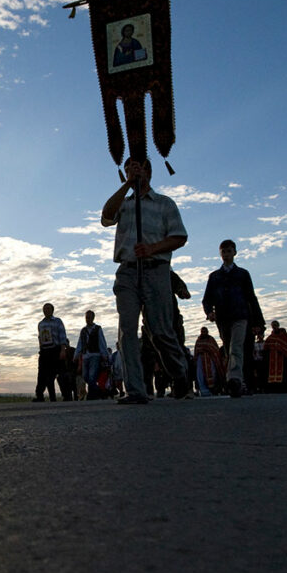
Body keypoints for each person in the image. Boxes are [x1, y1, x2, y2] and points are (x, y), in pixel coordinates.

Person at [101, 157, 190, 403]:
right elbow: (106, 217)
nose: (132, 170)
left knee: (159, 331)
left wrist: (152, 249)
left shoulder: (164, 204)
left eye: (136, 166)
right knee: (127, 330)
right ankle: (136, 390)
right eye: (128, 167)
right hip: (128, 271)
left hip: (156, 270)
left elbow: (179, 237)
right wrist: (126, 186)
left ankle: (180, 374)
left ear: (148, 172)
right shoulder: (125, 204)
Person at [201, 239, 265, 398]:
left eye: (229, 251)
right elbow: (207, 298)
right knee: (229, 348)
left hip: (240, 316)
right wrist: (209, 312)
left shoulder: (242, 274)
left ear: (234, 252)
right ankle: (239, 382)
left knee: (236, 347)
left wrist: (258, 323)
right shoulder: (215, 276)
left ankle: (235, 380)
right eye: (223, 251)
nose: (226, 254)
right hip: (223, 318)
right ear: (220, 254)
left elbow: (251, 298)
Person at [33, 303, 68, 402]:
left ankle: (66, 395)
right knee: (43, 374)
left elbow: (62, 336)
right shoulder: (41, 324)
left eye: (48, 308)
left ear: (52, 310)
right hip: (45, 351)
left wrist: (62, 350)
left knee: (60, 374)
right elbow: (40, 337)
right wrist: (41, 349)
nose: (46, 310)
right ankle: (42, 396)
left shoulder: (57, 321)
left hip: (55, 350)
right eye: (44, 309)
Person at [75, 310, 110, 399]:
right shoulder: (83, 330)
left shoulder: (98, 328)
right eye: (86, 317)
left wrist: (104, 354)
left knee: (92, 376)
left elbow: (102, 342)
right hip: (85, 355)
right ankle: (100, 391)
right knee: (85, 376)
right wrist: (76, 354)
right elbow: (80, 343)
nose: (87, 319)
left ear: (93, 318)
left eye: (89, 317)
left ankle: (92, 395)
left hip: (95, 355)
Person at [263, 322, 287, 392]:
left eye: (275, 325)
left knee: (284, 373)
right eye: (273, 326)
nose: (274, 327)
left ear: (278, 326)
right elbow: (266, 347)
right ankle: (273, 388)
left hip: (282, 358)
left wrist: (281, 349)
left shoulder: (283, 336)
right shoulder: (270, 337)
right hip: (272, 358)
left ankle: (283, 388)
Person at [193, 327, 223, 396]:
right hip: (200, 360)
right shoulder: (198, 340)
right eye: (202, 331)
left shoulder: (211, 339)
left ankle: (213, 388)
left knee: (213, 373)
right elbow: (196, 350)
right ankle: (203, 390)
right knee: (200, 374)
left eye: (205, 331)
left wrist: (207, 349)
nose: (203, 333)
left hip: (210, 359)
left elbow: (214, 349)